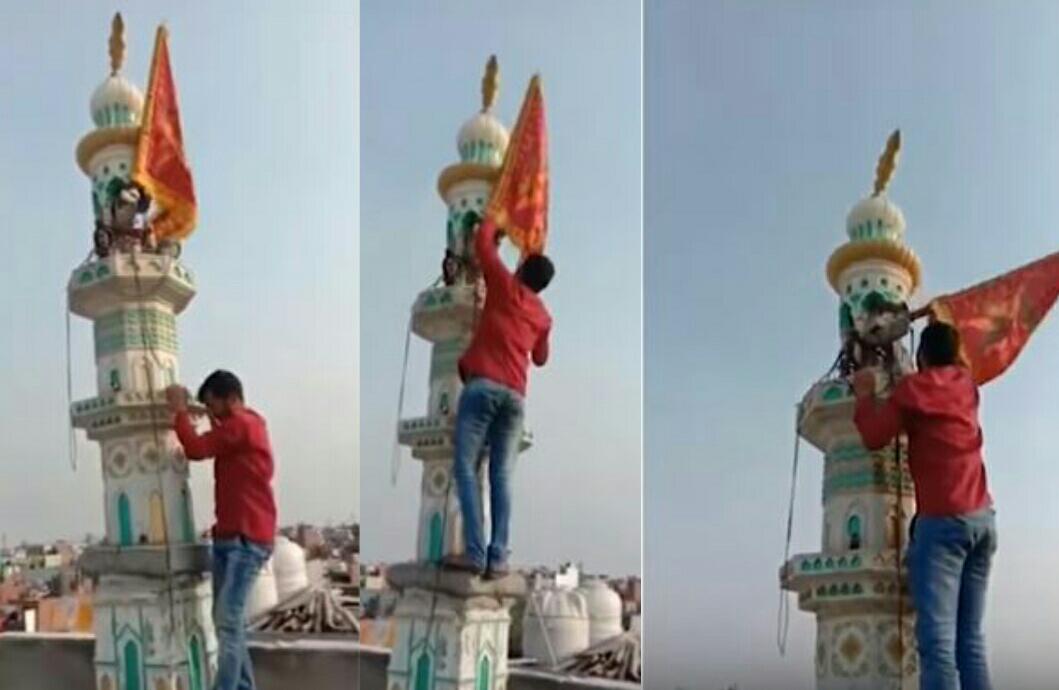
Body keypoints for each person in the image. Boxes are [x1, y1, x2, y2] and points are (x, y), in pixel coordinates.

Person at [851, 321, 995, 690]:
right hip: (982, 521)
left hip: (943, 525)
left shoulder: (912, 390)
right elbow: (951, 364)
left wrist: (866, 394)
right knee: (971, 642)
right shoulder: (967, 386)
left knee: (938, 647)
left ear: (921, 356)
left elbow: (874, 435)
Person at [444, 216, 554, 579]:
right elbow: (540, 358)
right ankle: (499, 556)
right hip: (515, 397)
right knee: (502, 477)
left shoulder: (505, 285)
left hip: (483, 386)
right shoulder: (542, 315)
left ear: (521, 268)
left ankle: (475, 553)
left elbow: (484, 247)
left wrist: (496, 217)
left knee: (464, 465)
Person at [166, 370, 277, 690]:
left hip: (245, 540)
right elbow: (218, 433)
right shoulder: (243, 426)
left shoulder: (243, 426)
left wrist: (179, 413)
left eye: (213, 406)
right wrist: (197, 412)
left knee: (227, 624)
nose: (212, 414)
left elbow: (198, 449)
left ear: (231, 399)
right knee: (231, 624)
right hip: (232, 537)